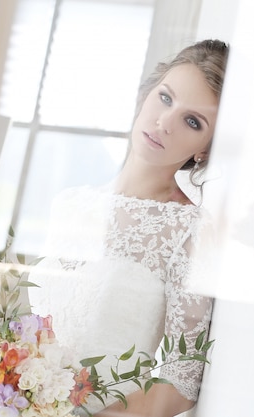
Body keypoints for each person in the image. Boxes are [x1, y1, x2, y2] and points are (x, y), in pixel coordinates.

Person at [27, 39, 229, 417]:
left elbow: (181, 380)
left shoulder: (188, 229)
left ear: (204, 148)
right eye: (165, 98)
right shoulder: (69, 203)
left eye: (192, 121)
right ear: (146, 95)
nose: (163, 123)